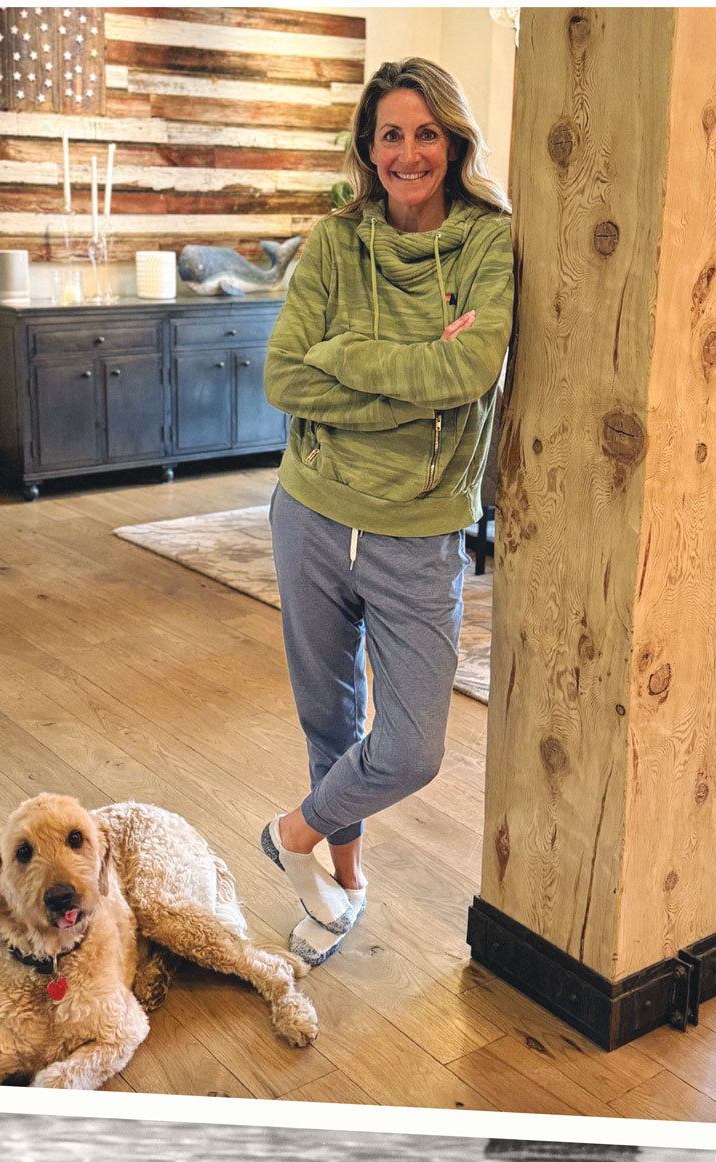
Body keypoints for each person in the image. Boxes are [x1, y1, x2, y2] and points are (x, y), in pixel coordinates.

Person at [260, 58, 515, 965]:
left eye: (426, 133)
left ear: (453, 141)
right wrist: (413, 371)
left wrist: (345, 355)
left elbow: (469, 372)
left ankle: (292, 832)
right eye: (390, 135)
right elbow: (284, 375)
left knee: (410, 746)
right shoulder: (336, 242)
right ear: (368, 148)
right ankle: (344, 890)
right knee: (326, 714)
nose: (408, 153)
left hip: (420, 528)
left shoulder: (489, 241)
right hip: (313, 512)